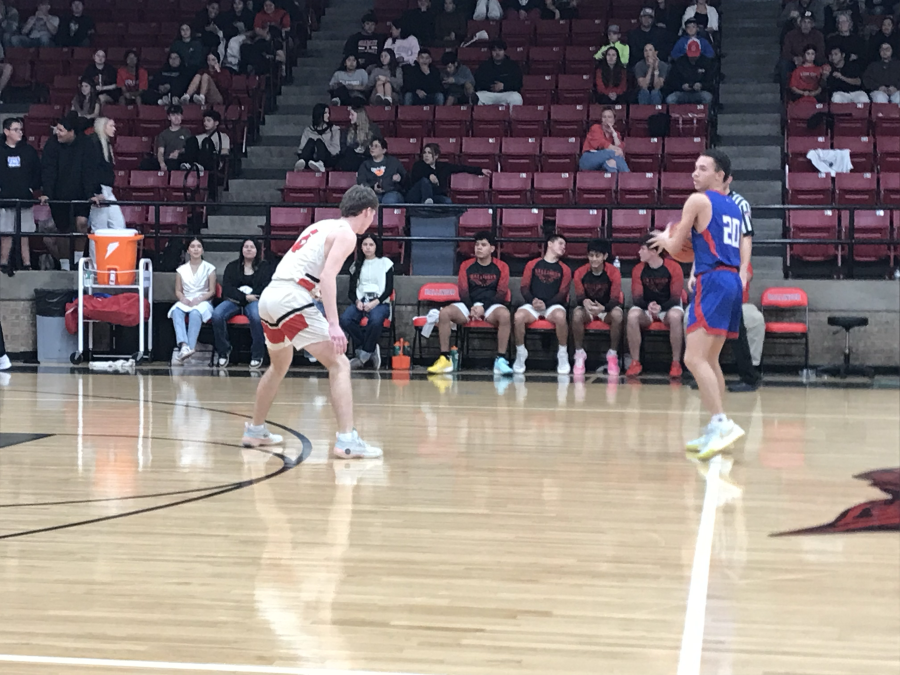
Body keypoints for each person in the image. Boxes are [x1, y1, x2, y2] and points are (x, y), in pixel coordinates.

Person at [243, 184, 383, 459]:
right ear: (367, 211)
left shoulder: (321, 226)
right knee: (340, 362)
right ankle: (346, 441)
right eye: (373, 215)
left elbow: (305, 268)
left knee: (279, 365)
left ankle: (255, 430)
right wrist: (333, 323)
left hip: (270, 297)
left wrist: (312, 289)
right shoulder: (347, 235)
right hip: (290, 299)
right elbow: (329, 276)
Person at [648, 148, 747, 460]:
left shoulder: (697, 200)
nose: (695, 173)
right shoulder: (733, 206)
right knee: (711, 359)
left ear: (719, 175)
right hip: (730, 279)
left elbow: (678, 249)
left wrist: (665, 240)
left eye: (703, 169)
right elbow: (701, 245)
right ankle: (717, 424)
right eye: (694, 168)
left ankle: (721, 422)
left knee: (693, 358)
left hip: (713, 281)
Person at [427, 231, 513, 375]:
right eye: (477, 244)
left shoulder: (502, 266)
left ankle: (500, 360)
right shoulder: (465, 265)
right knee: (444, 313)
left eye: (483, 245)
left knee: (505, 315)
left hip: (491, 305)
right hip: (469, 305)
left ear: (492, 249)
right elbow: (463, 291)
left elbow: (501, 293)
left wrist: (483, 308)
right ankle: (444, 358)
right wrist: (472, 307)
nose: (479, 248)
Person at [625, 232, 685, 379]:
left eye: (642, 249)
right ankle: (635, 362)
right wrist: (649, 306)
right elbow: (637, 298)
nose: (639, 252)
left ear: (654, 251)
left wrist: (661, 308)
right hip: (646, 308)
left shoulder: (674, 267)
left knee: (676, 316)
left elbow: (676, 297)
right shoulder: (638, 269)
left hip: (668, 307)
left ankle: (676, 362)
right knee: (632, 315)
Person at [513, 233, 572, 375]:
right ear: (550, 244)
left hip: (552, 305)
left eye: (565, 245)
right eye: (560, 243)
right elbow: (524, 287)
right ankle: (521, 352)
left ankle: (562, 354)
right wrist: (533, 301)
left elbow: (563, 293)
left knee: (560, 316)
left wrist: (546, 304)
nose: (563, 247)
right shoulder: (532, 264)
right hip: (533, 304)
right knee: (518, 316)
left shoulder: (565, 269)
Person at [40, 113, 94, 268]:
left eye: (61, 130)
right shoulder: (51, 144)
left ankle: (77, 261)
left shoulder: (87, 144)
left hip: (81, 193)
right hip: (58, 194)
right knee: (63, 229)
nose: (57, 133)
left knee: (81, 223)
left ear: (72, 132)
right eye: (57, 129)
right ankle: (65, 265)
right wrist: (47, 193)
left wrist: (91, 193)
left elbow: (89, 171)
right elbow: (48, 170)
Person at [212, 238, 272, 369]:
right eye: (246, 247)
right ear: (242, 250)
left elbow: (266, 286)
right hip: (234, 300)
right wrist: (244, 297)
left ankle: (257, 354)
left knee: (256, 317)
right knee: (217, 315)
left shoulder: (265, 267)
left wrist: (252, 297)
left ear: (257, 250)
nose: (249, 249)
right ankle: (223, 352)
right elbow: (227, 288)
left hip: (255, 300)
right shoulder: (232, 266)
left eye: (252, 247)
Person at [340, 233, 394, 370]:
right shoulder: (355, 266)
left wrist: (375, 302)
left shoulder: (386, 264)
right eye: (365, 244)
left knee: (375, 320)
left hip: (380, 301)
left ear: (376, 246)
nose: (368, 248)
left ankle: (362, 357)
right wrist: (357, 302)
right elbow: (351, 292)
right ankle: (368, 349)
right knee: (345, 319)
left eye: (371, 245)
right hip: (361, 300)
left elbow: (388, 289)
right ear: (360, 247)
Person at [570, 239, 623, 376]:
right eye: (591, 255)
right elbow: (579, 297)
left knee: (618, 314)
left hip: (606, 309)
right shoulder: (580, 272)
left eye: (597, 256)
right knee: (576, 314)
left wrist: (603, 308)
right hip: (588, 310)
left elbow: (615, 299)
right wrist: (585, 302)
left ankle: (612, 355)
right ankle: (579, 354)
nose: (594, 259)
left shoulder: (613, 272)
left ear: (605, 256)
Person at [0, 117, 40, 275]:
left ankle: (27, 263)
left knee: (25, 234)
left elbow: (37, 172)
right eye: (16, 129)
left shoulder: (28, 151)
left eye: (21, 130)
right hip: (4, 200)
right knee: (6, 233)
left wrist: (31, 189)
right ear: (6, 131)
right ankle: (3, 263)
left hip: (24, 199)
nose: (20, 133)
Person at [168, 237, 217, 365]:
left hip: (203, 301)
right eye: (193, 246)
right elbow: (178, 290)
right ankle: (183, 345)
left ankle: (190, 346)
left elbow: (212, 291)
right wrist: (182, 299)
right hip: (187, 299)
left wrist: (199, 299)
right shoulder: (181, 270)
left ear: (203, 250)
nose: (196, 249)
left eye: (198, 246)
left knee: (196, 312)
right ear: (188, 250)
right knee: (176, 311)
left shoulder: (210, 268)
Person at [406, 142, 488, 204]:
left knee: (447, 202)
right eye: (424, 153)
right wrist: (429, 175)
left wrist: (479, 170)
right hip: (417, 196)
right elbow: (415, 177)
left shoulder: (443, 167)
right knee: (424, 181)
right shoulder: (418, 165)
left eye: (429, 153)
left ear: (436, 156)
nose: (426, 155)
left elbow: (461, 168)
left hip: (435, 195)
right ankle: (427, 206)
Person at [87, 117, 126, 236]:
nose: (114, 129)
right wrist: (95, 191)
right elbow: (92, 169)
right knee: (99, 227)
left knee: (118, 224)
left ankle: (113, 254)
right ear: (103, 127)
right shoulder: (94, 143)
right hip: (99, 189)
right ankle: (96, 255)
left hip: (107, 189)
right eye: (111, 126)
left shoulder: (105, 143)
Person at [779, 12, 825, 90]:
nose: (806, 25)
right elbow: (785, 52)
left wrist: (806, 59)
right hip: (794, 62)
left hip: (813, 61)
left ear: (813, 24)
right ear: (799, 23)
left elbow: (821, 52)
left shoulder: (818, 35)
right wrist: (794, 58)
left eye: (809, 22)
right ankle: (786, 95)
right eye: (804, 22)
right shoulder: (790, 35)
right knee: (784, 65)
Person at [664, 39, 715, 105]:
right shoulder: (680, 62)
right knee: (670, 99)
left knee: (707, 97)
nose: (693, 57)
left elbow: (711, 81)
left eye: (695, 55)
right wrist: (682, 86)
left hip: (699, 92)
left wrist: (701, 85)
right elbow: (672, 81)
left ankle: (706, 114)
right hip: (682, 92)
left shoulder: (707, 62)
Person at [474, 39, 523, 106]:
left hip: (506, 93)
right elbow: (479, 81)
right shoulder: (484, 66)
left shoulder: (513, 66)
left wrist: (504, 86)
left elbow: (518, 83)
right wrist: (491, 86)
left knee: (516, 98)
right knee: (476, 97)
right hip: (489, 94)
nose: (497, 53)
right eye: (494, 50)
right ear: (491, 52)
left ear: (504, 51)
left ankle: (513, 116)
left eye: (500, 50)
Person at [578, 108, 629, 173]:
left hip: (602, 162)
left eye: (609, 117)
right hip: (588, 158)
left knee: (611, 164)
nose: (606, 119)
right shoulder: (595, 128)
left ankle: (616, 182)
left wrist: (614, 133)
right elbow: (601, 143)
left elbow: (620, 147)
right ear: (601, 119)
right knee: (613, 153)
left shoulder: (616, 134)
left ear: (614, 120)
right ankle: (629, 177)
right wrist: (616, 150)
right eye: (604, 117)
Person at [356, 138, 405, 204]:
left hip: (392, 192)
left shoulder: (393, 162)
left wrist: (400, 178)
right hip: (372, 193)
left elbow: (405, 179)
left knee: (389, 200)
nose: (372, 148)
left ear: (384, 150)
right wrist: (373, 188)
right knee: (370, 201)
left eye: (376, 146)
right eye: (371, 146)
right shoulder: (365, 165)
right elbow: (361, 181)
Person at [334, 105, 381, 172]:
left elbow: (378, 146)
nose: (350, 117)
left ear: (359, 116)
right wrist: (354, 149)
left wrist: (364, 150)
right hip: (351, 159)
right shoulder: (347, 130)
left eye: (352, 115)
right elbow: (343, 147)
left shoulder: (373, 129)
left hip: (367, 158)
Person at [294, 103, 339, 172]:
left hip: (328, 158)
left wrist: (324, 145)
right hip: (311, 159)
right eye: (325, 113)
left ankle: (320, 163)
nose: (328, 115)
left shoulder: (334, 129)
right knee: (311, 141)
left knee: (319, 141)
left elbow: (336, 149)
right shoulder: (308, 130)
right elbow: (301, 148)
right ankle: (302, 162)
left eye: (328, 113)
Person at [156, 104, 193, 171]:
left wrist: (178, 152)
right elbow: (160, 152)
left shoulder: (187, 132)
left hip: (181, 161)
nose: (176, 117)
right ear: (169, 117)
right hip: (168, 160)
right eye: (173, 115)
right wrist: (162, 163)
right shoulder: (163, 134)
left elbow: (189, 149)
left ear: (182, 116)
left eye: (178, 115)